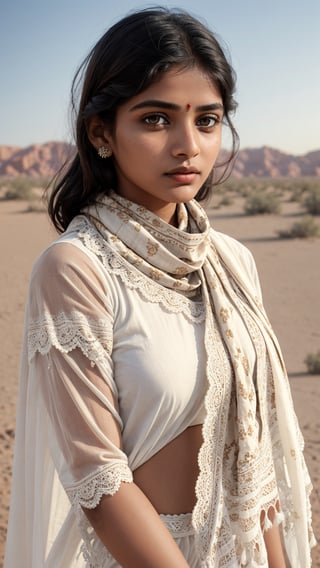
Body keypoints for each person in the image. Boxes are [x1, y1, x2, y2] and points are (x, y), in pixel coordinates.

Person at [4, 7, 315, 568]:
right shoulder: (76, 269)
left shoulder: (232, 262)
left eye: (207, 120)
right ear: (102, 132)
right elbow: (98, 478)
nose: (187, 145)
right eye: (155, 119)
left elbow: (255, 453)